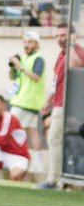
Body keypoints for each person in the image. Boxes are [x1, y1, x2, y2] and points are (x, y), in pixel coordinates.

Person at [38, 23, 84, 189]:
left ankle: (54, 179)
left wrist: (71, 45)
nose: (60, 39)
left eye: (63, 35)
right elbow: (56, 82)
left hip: (69, 104)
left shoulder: (77, 52)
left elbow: (74, 66)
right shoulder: (61, 55)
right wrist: (48, 101)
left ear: (72, 36)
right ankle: (62, 180)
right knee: (58, 139)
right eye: (57, 36)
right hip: (58, 102)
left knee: (54, 138)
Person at [8, 30, 46, 174]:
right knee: (32, 131)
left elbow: (36, 76)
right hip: (24, 100)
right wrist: (13, 67)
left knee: (10, 129)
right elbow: (14, 78)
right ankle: (36, 163)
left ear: (36, 43)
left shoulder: (38, 59)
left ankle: (18, 160)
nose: (26, 45)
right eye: (25, 42)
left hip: (25, 102)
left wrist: (20, 66)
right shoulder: (23, 58)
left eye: (30, 42)